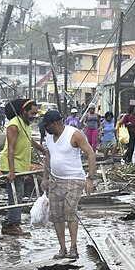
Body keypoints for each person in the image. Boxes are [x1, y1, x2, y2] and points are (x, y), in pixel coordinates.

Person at [41, 110, 96, 260]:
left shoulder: (74, 134)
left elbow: (91, 154)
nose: (44, 129)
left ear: (54, 124)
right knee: (56, 215)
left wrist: (90, 178)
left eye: (46, 126)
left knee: (70, 213)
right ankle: (62, 248)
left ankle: (73, 248)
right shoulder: (49, 137)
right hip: (55, 179)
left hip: (74, 178)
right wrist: (45, 178)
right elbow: (48, 155)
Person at [0, 98, 46, 236]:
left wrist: (44, 151)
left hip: (21, 164)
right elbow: (11, 149)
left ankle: (12, 222)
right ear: (24, 111)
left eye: (36, 114)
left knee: (18, 194)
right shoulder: (14, 125)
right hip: (12, 164)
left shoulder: (25, 125)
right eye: (32, 113)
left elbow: (30, 140)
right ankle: (10, 224)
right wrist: (11, 171)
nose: (34, 116)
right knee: (15, 194)